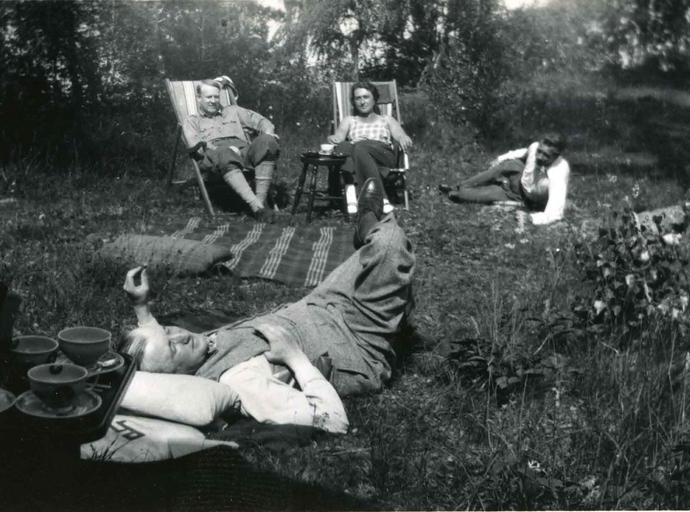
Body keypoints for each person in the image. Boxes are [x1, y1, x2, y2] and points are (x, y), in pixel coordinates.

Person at [123, 179, 415, 434]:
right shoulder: (239, 380)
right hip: (356, 340)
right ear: (177, 378)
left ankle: (369, 236)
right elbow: (331, 420)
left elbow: (155, 344)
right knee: (389, 244)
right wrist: (294, 358)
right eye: (174, 348)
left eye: (169, 330)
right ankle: (370, 226)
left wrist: (141, 307)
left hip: (321, 303)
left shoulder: (189, 351)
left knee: (379, 260)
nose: (181, 336)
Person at [183, 78, 280, 220]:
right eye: (208, 97)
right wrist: (222, 148)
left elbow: (262, 121)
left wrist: (268, 132)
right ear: (199, 98)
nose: (213, 101)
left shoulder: (233, 111)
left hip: (243, 152)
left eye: (216, 97)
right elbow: (195, 146)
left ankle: (260, 205)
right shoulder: (192, 121)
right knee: (225, 153)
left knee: (268, 142)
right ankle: (256, 206)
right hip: (215, 155)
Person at [438, 134, 570, 225]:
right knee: (510, 163)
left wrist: (531, 218)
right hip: (521, 180)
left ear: (556, 156)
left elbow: (556, 213)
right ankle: (458, 185)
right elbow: (523, 152)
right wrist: (500, 159)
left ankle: (459, 192)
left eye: (545, 155)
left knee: (459, 196)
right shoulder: (535, 147)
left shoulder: (559, 172)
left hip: (525, 197)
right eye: (539, 151)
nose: (539, 157)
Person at [327, 82, 413, 215]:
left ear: (374, 99)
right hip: (360, 156)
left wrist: (402, 137)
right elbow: (339, 137)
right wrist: (333, 138)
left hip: (382, 154)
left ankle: (361, 193)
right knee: (344, 147)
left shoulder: (386, 119)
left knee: (358, 147)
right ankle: (372, 199)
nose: (362, 102)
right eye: (358, 98)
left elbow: (399, 134)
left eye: (366, 97)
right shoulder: (349, 120)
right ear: (354, 102)